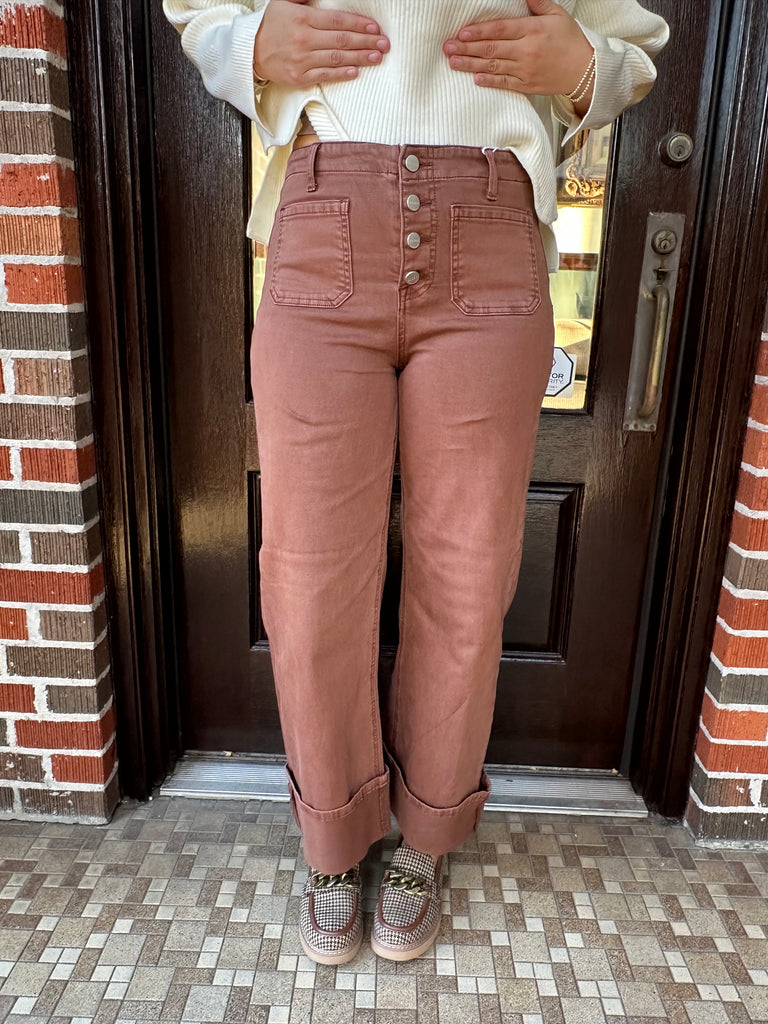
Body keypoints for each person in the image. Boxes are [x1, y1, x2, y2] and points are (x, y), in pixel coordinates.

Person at [163, 0, 669, 967]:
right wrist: (248, 42)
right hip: (326, 217)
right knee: (308, 578)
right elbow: (197, 11)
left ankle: (429, 834)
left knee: (468, 571)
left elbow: (632, 46)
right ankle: (331, 837)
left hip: (491, 224)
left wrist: (581, 67)